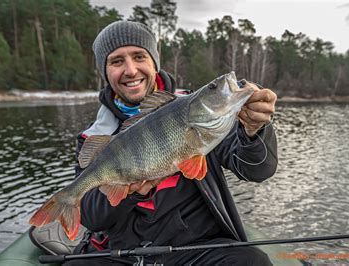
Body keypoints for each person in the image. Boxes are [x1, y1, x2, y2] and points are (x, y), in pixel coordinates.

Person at [32, 20, 277, 265]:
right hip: (125, 256)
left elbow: (258, 170)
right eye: (117, 61)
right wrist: (129, 193)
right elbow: (93, 218)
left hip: (197, 250)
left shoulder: (200, 115)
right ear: (105, 71)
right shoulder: (94, 137)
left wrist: (254, 131)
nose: (130, 70)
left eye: (139, 56)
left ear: (154, 63)